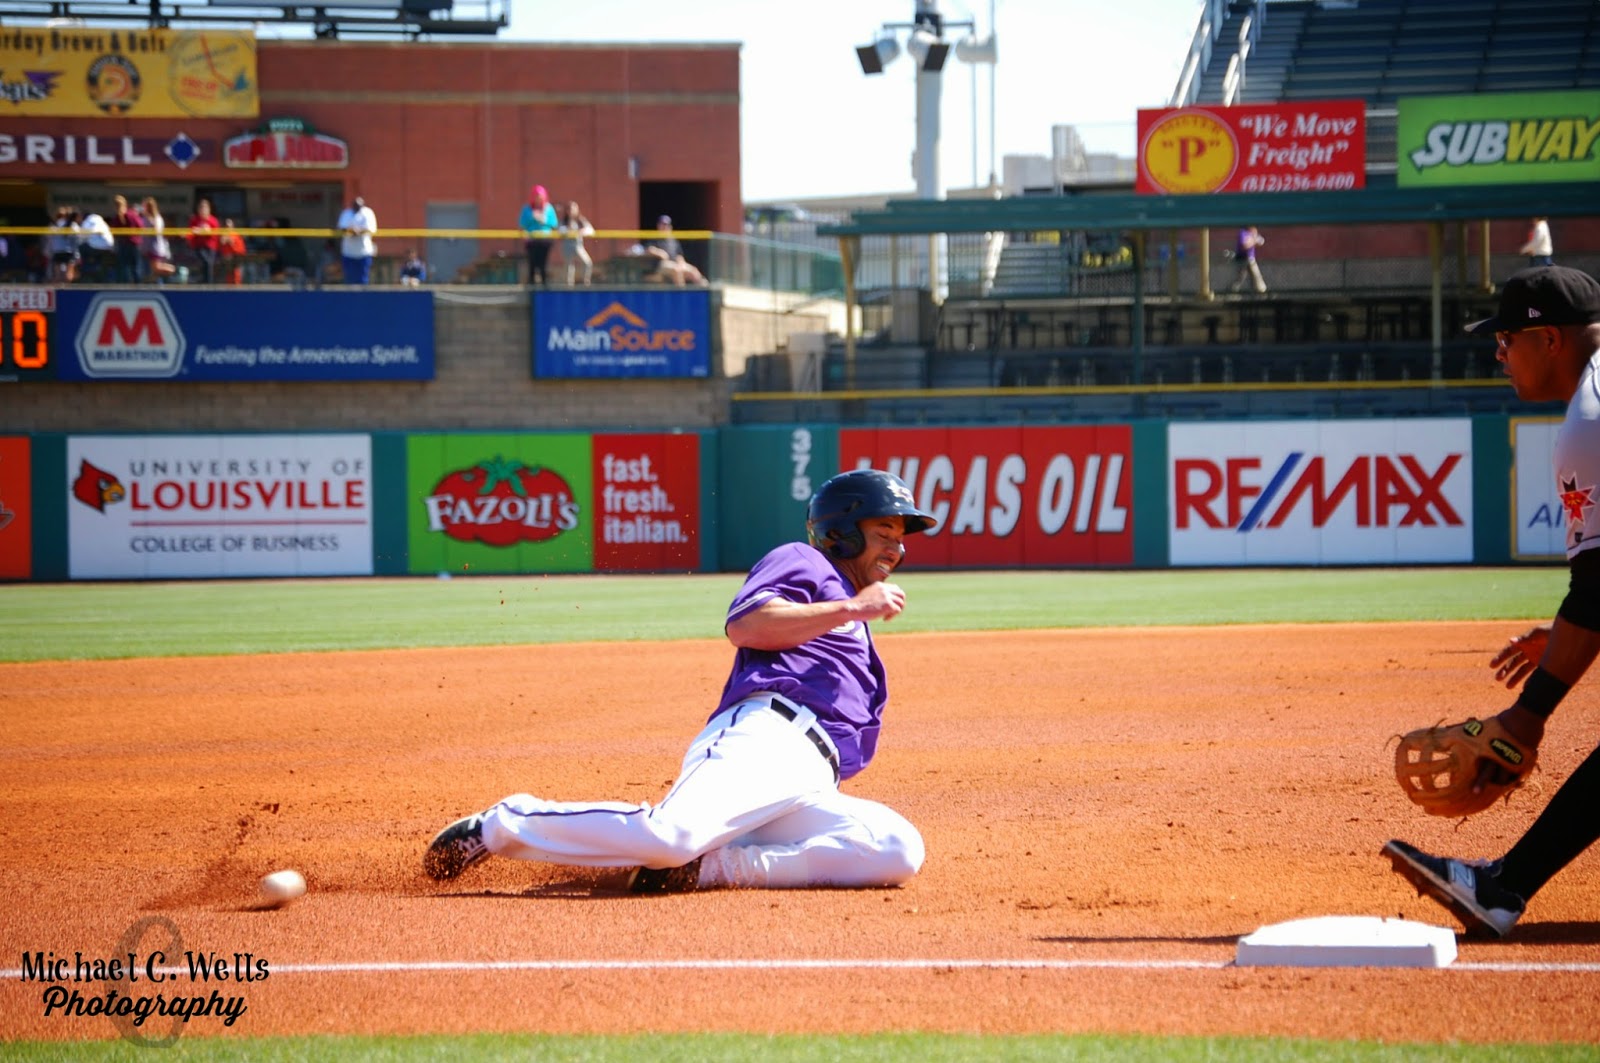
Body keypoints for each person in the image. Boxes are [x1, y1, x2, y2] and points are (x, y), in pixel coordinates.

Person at [424, 468, 938, 893]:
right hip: (768, 739)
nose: (896, 549)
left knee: (895, 848)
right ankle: (502, 825)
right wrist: (850, 606)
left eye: (899, 539)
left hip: (808, 781)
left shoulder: (848, 610)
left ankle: (706, 869)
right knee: (670, 833)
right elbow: (747, 625)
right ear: (842, 531)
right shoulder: (805, 562)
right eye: (883, 534)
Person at [1385, 265, 1600, 937]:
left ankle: (1503, 886)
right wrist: (1567, 626)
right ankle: (1504, 885)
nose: (1498, 352)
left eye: (1507, 337)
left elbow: (1599, 588)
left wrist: (1527, 717)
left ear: (1552, 340)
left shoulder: (1587, 424)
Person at [640, 215, 704, 286]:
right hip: (661, 265)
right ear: (658, 226)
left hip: (675, 264)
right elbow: (647, 249)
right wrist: (659, 252)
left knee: (694, 271)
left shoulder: (673, 240)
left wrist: (681, 263)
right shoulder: (655, 238)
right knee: (676, 270)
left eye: (666, 225)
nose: (665, 227)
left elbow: (679, 255)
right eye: (662, 224)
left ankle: (705, 292)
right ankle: (682, 294)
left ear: (670, 227)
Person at [518, 185, 558, 286]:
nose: (538, 200)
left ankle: (544, 285)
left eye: (540, 197)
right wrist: (533, 218)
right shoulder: (527, 209)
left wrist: (544, 220)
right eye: (536, 197)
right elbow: (522, 224)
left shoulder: (548, 208)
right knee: (532, 263)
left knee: (543, 264)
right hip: (532, 241)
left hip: (545, 240)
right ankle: (532, 285)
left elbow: (554, 223)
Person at [336, 195, 377, 285]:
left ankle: (363, 298)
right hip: (348, 252)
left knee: (363, 279)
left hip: (364, 252)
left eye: (359, 205)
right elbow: (341, 227)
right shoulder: (346, 213)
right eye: (355, 205)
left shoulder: (368, 213)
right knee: (349, 279)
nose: (357, 207)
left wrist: (358, 231)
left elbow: (371, 228)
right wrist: (351, 230)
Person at [110, 195, 145, 283]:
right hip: (134, 244)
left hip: (123, 244)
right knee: (135, 267)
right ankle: (138, 287)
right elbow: (140, 226)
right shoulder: (131, 214)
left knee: (124, 266)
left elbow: (113, 232)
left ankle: (124, 286)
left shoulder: (119, 217)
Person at [140, 198, 175, 282]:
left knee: (156, 268)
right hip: (148, 247)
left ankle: (173, 270)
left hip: (155, 247)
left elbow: (156, 231)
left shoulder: (156, 218)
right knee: (153, 271)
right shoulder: (145, 218)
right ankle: (154, 282)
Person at [559, 201, 594, 285]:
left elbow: (591, 230)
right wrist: (569, 231)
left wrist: (581, 231)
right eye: (570, 209)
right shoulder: (564, 221)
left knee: (587, 263)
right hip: (567, 246)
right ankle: (569, 286)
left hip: (578, 246)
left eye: (574, 209)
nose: (572, 211)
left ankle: (585, 283)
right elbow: (560, 231)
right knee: (569, 267)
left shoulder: (580, 220)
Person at [186, 198, 220, 284]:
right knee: (205, 262)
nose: (203, 210)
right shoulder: (194, 220)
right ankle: (206, 282)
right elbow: (190, 232)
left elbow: (216, 234)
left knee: (209, 264)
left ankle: (209, 283)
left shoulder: (213, 220)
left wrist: (205, 231)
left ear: (209, 209)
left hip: (211, 247)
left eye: (205, 208)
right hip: (199, 246)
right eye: (201, 208)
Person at [78, 208, 115, 282]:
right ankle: (94, 268)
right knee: (99, 264)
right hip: (109, 247)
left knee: (80, 247)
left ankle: (84, 272)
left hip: (96, 247)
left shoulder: (88, 221)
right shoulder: (101, 220)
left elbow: (82, 237)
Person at [46, 206, 81, 283]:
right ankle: (66, 291)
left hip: (58, 251)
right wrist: (77, 255)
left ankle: (59, 291)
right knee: (68, 275)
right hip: (68, 251)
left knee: (58, 275)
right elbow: (77, 240)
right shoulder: (73, 225)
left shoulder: (55, 225)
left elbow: (50, 239)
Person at [1229, 224, 1267, 294]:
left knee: (1256, 275)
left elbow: (1261, 241)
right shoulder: (1243, 233)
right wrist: (1254, 241)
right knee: (1240, 277)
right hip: (1242, 259)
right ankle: (1232, 292)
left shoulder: (1252, 234)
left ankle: (1261, 291)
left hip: (1250, 258)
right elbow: (1244, 245)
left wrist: (1255, 240)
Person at [218, 219, 248, 284]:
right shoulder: (221, 234)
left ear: (232, 226)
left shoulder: (236, 234)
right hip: (226, 258)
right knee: (228, 274)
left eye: (229, 226)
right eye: (226, 226)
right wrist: (225, 239)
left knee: (237, 274)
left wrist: (229, 240)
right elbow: (221, 243)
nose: (227, 228)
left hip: (237, 257)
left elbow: (240, 249)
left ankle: (237, 286)